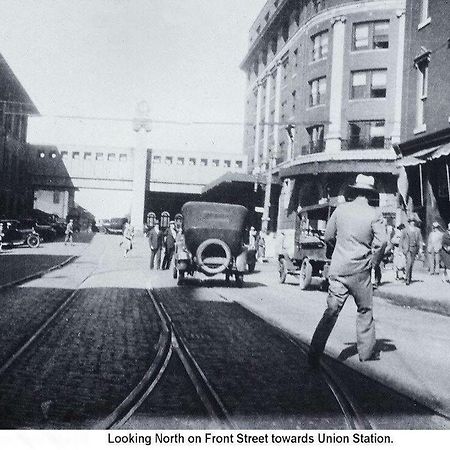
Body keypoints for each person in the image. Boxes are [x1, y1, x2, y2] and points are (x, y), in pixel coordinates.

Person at [308, 174, 387, 366]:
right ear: (369, 194)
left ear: (355, 190)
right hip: (361, 271)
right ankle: (366, 353)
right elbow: (383, 241)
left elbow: (328, 236)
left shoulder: (340, 210)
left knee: (331, 311)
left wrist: (339, 249)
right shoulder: (375, 214)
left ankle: (314, 353)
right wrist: (374, 261)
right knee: (365, 310)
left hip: (339, 270)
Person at [400, 215, 424, 285]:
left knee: (411, 264)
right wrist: (400, 249)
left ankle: (409, 278)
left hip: (414, 248)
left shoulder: (418, 230)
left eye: (413, 221)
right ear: (409, 222)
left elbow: (420, 240)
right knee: (409, 262)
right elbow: (401, 240)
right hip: (407, 248)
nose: (412, 223)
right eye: (411, 221)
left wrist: (420, 248)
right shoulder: (405, 230)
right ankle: (406, 278)